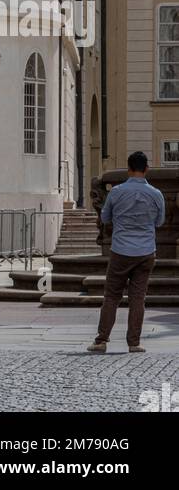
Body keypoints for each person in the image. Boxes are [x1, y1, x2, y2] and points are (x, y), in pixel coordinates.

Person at [88, 152, 165, 354]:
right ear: (146, 168)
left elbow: (105, 217)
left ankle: (102, 340)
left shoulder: (116, 192)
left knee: (112, 296)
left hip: (121, 249)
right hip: (146, 251)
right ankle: (134, 343)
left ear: (129, 168)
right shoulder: (156, 194)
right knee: (138, 298)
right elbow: (160, 222)